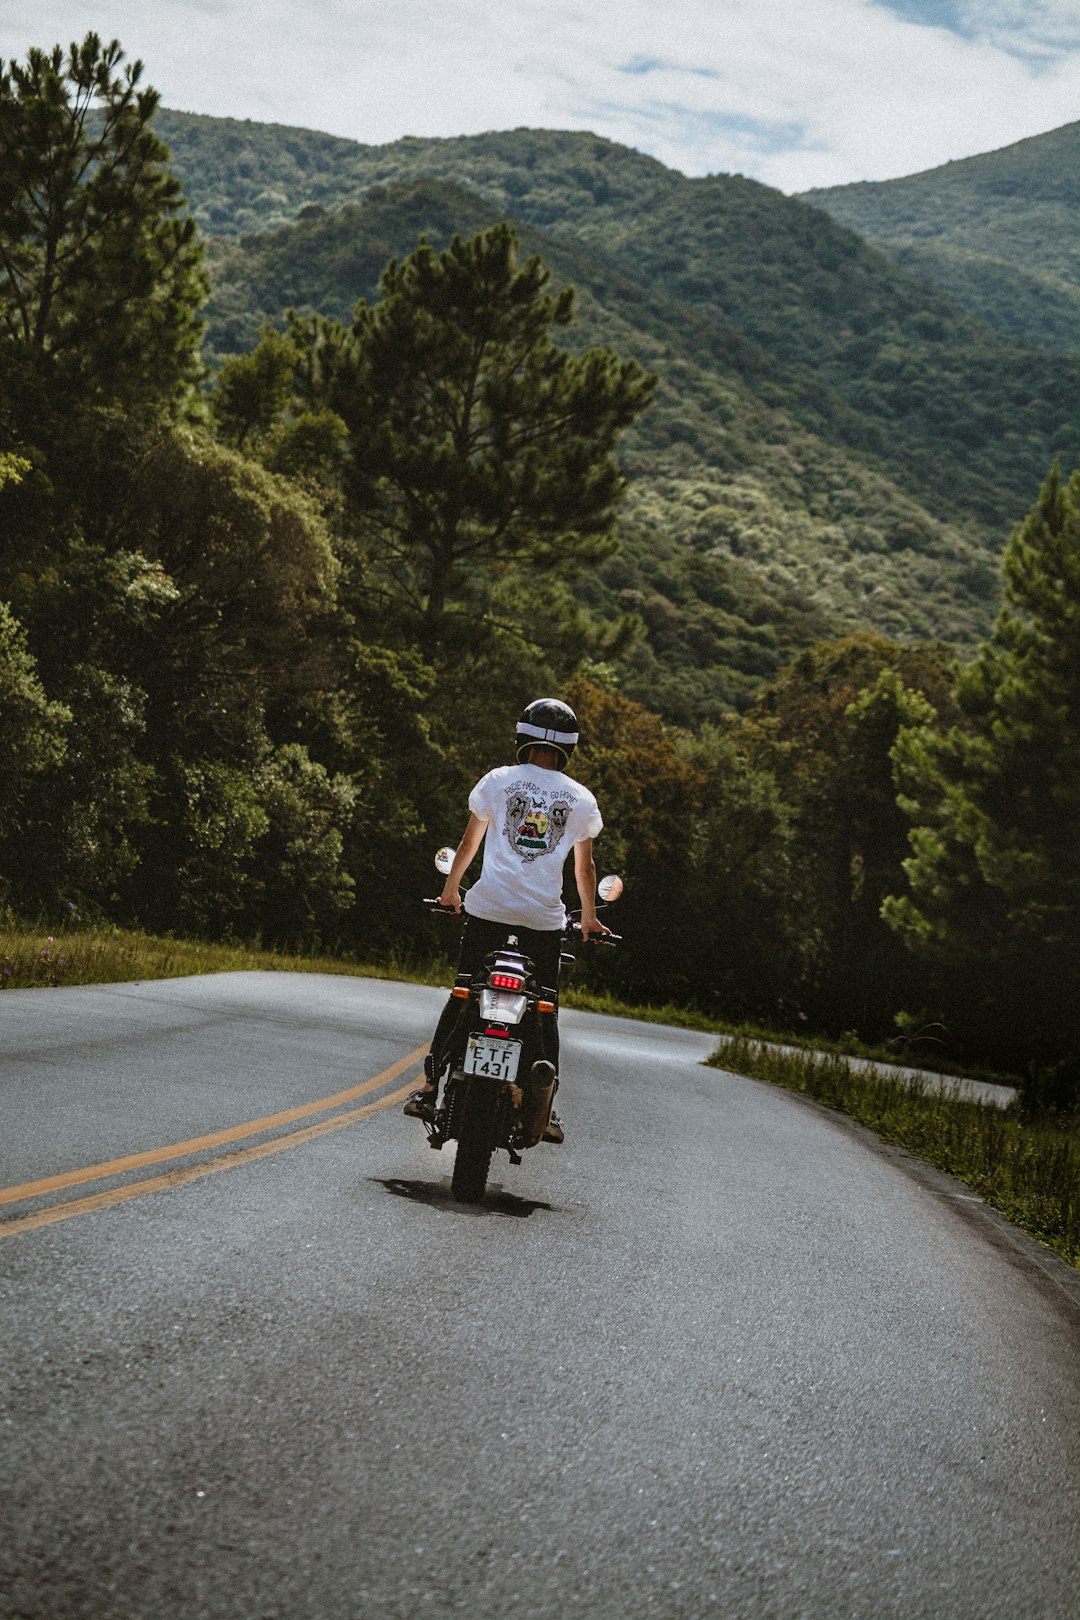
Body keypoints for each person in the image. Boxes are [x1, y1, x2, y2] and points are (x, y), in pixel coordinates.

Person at [405, 697, 610, 1136]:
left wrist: (449, 891)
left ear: (523, 737)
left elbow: (468, 844)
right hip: (543, 924)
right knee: (545, 1009)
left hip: (487, 912)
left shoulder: (498, 781)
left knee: (463, 993)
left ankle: (428, 1085)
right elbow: (584, 869)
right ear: (569, 747)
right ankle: (545, 1104)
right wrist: (590, 919)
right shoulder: (580, 799)